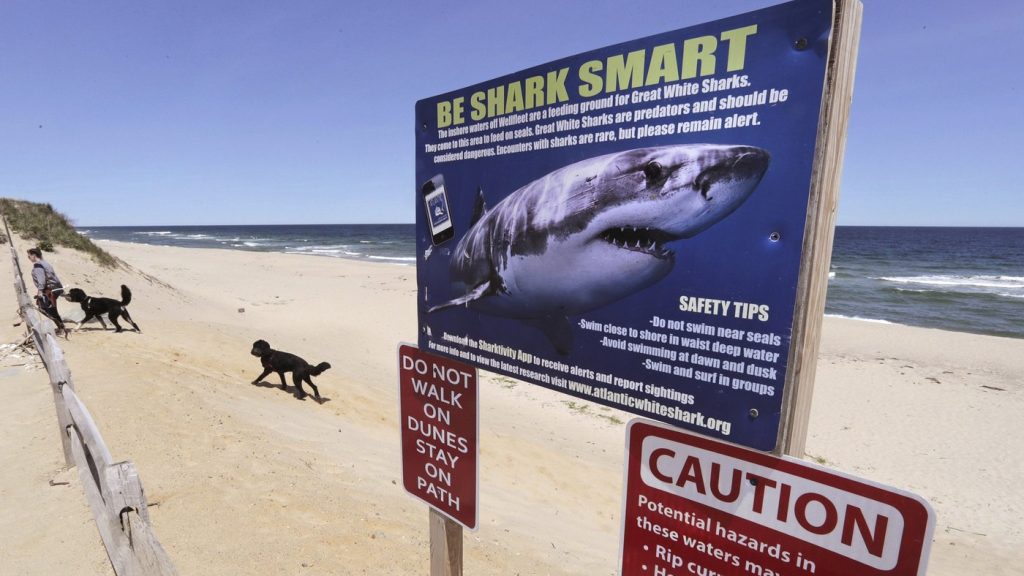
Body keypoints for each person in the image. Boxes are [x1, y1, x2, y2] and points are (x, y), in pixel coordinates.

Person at [26, 247, 68, 336]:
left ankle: (61, 328)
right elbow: (55, 277)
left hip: (48, 290)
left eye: (29, 256)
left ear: (34, 255)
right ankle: (61, 327)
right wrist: (61, 290)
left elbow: (42, 280)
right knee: (50, 309)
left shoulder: (38, 266)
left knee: (47, 309)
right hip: (54, 288)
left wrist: (40, 291)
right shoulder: (45, 263)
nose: (28, 258)